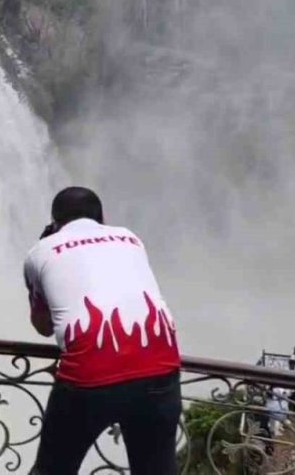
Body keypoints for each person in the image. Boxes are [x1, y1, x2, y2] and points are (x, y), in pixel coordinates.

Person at [24, 187, 182, 475]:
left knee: (53, 469)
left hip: (89, 375)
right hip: (160, 367)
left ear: (55, 222)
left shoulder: (40, 250)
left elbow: (43, 327)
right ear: (102, 218)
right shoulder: (131, 238)